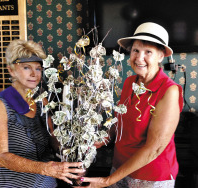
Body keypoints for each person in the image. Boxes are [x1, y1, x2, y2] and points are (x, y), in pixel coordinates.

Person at [77, 22, 184, 187]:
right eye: (135, 50)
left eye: (148, 52)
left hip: (151, 176)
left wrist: (107, 181)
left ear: (161, 56)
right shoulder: (129, 82)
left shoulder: (169, 91)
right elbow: (120, 119)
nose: (139, 58)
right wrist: (104, 139)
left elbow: (154, 149)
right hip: (120, 167)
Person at [0, 39, 84, 188]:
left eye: (38, 68)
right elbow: (2, 157)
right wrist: (45, 168)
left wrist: (73, 156)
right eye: (26, 68)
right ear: (11, 70)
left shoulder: (41, 100)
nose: (34, 74)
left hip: (46, 184)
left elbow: (53, 139)